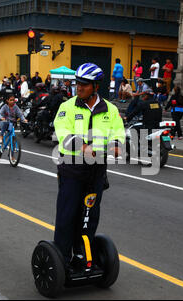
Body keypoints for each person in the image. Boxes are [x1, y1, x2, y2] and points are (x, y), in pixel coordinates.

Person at [53, 62, 125, 266]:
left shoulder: (110, 110)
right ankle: (63, 259)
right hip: (72, 170)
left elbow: (118, 134)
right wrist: (84, 147)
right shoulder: (66, 107)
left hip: (96, 172)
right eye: (78, 83)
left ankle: (83, 255)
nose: (79, 87)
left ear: (96, 86)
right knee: (68, 216)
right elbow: (63, 133)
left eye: (84, 84)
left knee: (89, 216)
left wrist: (117, 146)